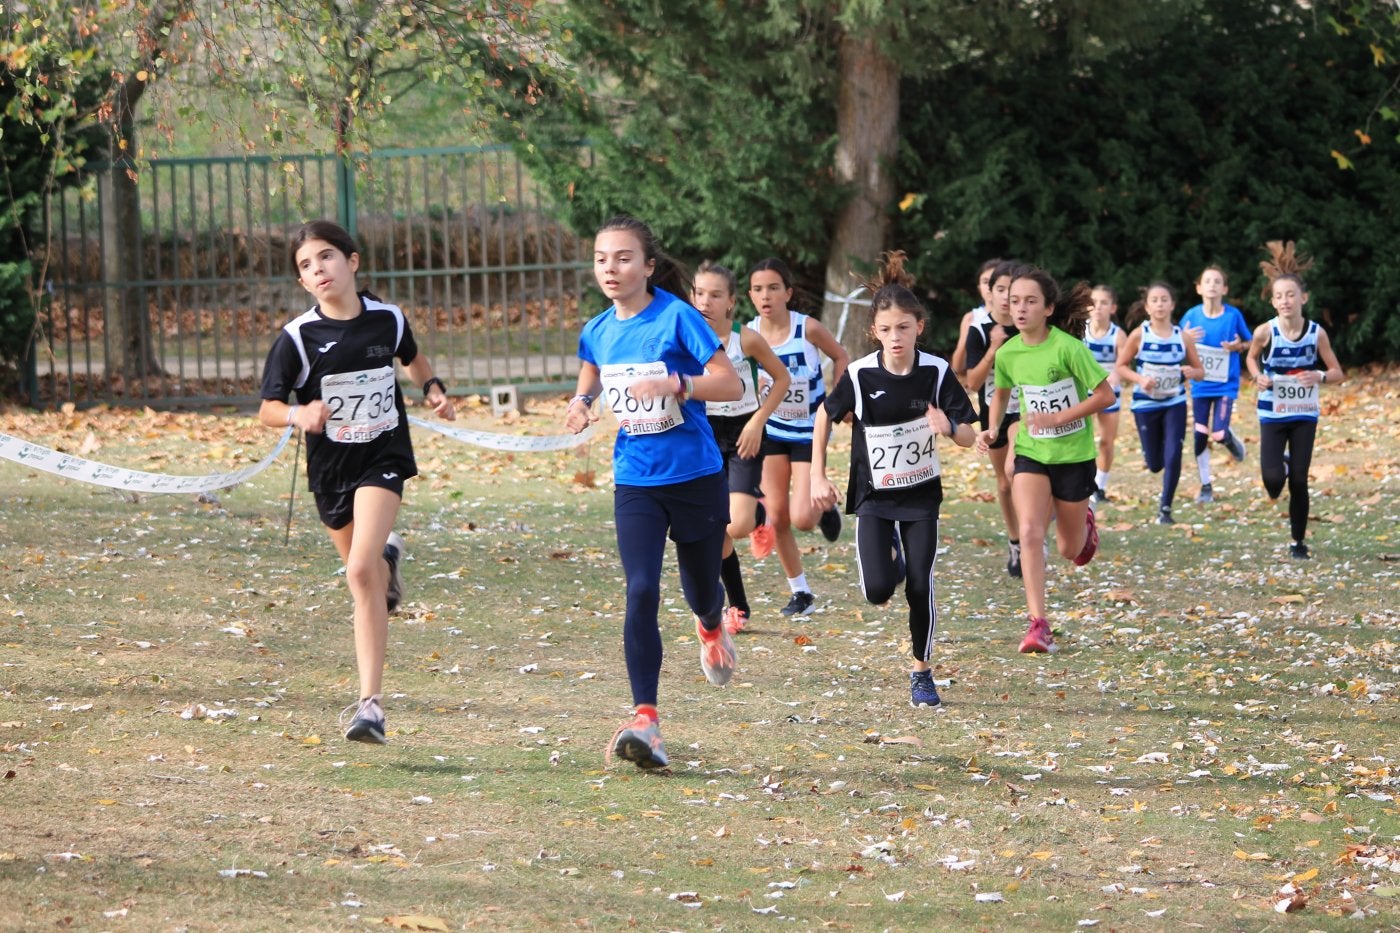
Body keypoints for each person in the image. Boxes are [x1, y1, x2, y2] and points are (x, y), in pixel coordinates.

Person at [258, 219, 457, 744]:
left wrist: (433, 388)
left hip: (382, 457)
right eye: (306, 265)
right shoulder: (298, 339)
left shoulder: (386, 319)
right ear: (302, 282)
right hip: (330, 471)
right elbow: (267, 409)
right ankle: (386, 560)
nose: (318, 269)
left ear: (352, 261)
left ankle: (370, 706)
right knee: (362, 573)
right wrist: (297, 416)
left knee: (359, 572)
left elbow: (412, 357)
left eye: (325, 257)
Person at [563, 215, 743, 771]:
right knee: (640, 588)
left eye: (622, 258)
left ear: (647, 265)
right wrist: (581, 403)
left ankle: (712, 626)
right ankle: (647, 718)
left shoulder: (677, 317)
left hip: (694, 475)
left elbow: (731, 383)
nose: (611, 269)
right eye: (601, 259)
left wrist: (678, 383)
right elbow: (592, 372)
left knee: (699, 592)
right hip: (636, 480)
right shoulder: (596, 328)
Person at [811, 252, 976, 707]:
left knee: (920, 584)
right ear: (874, 332)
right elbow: (824, 418)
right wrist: (816, 475)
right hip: (874, 497)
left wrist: (949, 428)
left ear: (918, 326)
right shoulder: (861, 375)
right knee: (878, 591)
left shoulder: (936, 372)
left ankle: (922, 672)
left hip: (921, 496)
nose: (895, 337)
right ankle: (892, 564)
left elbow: (967, 434)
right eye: (886, 329)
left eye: (903, 327)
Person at [976, 268, 1114, 654]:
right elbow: (1001, 395)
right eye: (1014, 300)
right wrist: (992, 429)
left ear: (1049, 308)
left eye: (1030, 301)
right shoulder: (1008, 353)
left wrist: (1058, 417)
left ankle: (1084, 526)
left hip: (1074, 455)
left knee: (1071, 549)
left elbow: (1104, 395)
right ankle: (1039, 624)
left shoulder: (1068, 348)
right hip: (1032, 453)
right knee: (1031, 532)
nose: (1020, 308)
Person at [692, 261, 792, 634]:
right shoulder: (685, 337)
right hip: (703, 434)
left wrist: (757, 421)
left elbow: (782, 379)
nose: (706, 302)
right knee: (717, 528)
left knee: (738, 524)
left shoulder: (745, 339)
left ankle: (759, 516)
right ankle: (737, 606)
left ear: (731, 301)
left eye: (715, 295)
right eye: (699, 294)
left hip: (744, 431)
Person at [747, 257, 850, 617]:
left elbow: (840, 355)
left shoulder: (807, 329)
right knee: (777, 517)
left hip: (809, 431)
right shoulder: (749, 333)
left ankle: (825, 505)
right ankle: (801, 592)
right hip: (772, 431)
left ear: (788, 292)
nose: (766, 295)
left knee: (803, 518)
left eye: (774, 287)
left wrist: (839, 399)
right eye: (758, 289)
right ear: (749, 295)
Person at [1245, 240, 1344, 560]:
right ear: (1273, 302)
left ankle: (1298, 542)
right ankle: (1281, 465)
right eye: (1279, 296)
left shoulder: (1317, 333)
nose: (1285, 301)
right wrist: (1257, 375)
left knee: (1299, 480)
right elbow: (1251, 359)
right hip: (1272, 413)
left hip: (1304, 412)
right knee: (1274, 483)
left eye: (1291, 295)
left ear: (1304, 298)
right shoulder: (1265, 331)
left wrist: (1320, 376)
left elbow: (1337, 372)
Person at [1115, 282, 1204, 525]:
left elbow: (1200, 371)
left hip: (1174, 402)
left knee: (1174, 453)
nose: (1160, 304)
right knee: (1155, 464)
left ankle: (1165, 508)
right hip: (1145, 404)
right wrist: (1140, 378)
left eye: (1164, 299)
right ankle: (1159, 463)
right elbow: (1121, 367)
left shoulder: (1182, 337)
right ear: (1147, 307)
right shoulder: (1139, 335)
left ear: (1172, 305)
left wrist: (1189, 372)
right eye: (1155, 300)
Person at [963, 259, 1026, 576]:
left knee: (1016, 469)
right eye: (1000, 289)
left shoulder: (1030, 327)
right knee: (1003, 483)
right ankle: (1016, 541)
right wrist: (993, 348)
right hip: (992, 414)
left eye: (1012, 290)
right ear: (991, 292)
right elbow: (972, 382)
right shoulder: (979, 330)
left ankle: (1031, 538)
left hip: (1026, 412)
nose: (1006, 296)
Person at [1181, 265, 1253, 503]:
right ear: (1199, 288)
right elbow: (1173, 344)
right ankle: (1205, 485)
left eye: (1217, 281)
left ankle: (1230, 441)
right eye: (1207, 281)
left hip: (1225, 384)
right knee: (1200, 435)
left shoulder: (1232, 315)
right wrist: (1186, 339)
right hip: (1201, 385)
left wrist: (1237, 347)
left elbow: (1251, 343)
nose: (1212, 285)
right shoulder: (1191, 316)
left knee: (1219, 433)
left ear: (1225, 288)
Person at [1083, 285, 1126, 504]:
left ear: (1112, 307)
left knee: (1106, 442)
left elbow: (1123, 364)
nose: (1098, 307)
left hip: (1109, 394)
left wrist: (1116, 375)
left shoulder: (1118, 335)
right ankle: (1082, 482)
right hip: (1084, 393)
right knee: (1082, 439)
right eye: (1094, 302)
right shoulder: (1082, 330)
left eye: (1104, 303)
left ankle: (1100, 486)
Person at [950, 259, 1002, 391]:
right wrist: (965, 339)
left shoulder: (1018, 317)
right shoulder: (971, 318)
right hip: (983, 391)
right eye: (985, 281)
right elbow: (957, 367)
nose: (990, 286)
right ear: (979, 287)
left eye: (995, 280)